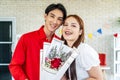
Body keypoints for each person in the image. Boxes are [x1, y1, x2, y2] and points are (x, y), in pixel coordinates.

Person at [9, 3, 67, 80]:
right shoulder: (26, 38)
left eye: (59, 19)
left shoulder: (59, 43)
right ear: (45, 16)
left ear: (61, 23)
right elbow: (14, 66)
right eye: (52, 16)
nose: (55, 21)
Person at [61, 14, 103, 80]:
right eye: (65, 25)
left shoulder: (85, 50)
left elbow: (98, 78)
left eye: (73, 26)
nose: (68, 28)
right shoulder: (63, 50)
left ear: (80, 31)